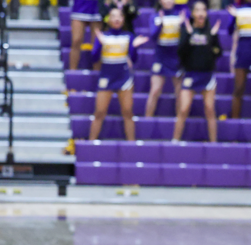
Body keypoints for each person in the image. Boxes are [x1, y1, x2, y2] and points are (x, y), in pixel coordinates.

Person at [88, 8, 149, 141]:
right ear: (108, 20)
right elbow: (93, 58)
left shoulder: (128, 36)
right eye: (113, 16)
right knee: (99, 113)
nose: (116, 19)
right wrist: (99, 45)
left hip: (124, 78)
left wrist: (134, 47)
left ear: (123, 19)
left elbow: (133, 59)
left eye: (119, 16)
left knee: (128, 113)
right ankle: (91, 143)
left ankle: (131, 145)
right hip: (106, 77)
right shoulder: (103, 36)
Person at [173, 2, 222, 143]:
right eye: (198, 10)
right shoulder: (187, 31)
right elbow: (181, 52)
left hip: (207, 75)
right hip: (190, 74)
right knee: (183, 109)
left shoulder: (211, 32)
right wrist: (188, 36)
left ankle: (214, 143)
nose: (201, 13)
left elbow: (218, 53)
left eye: (203, 10)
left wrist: (212, 39)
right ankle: (175, 141)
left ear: (206, 14)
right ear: (193, 14)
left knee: (210, 109)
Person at [145, 0, 189, 118]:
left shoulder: (181, 15)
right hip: (161, 57)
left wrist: (183, 24)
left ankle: (178, 125)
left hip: (176, 58)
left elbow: (187, 37)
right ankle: (147, 120)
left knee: (179, 92)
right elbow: (153, 37)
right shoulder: (155, 16)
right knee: (155, 90)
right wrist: (161, 25)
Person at [71, 0, 104, 70]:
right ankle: (72, 73)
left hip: (97, 7)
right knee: (76, 41)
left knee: (96, 44)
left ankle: (97, 74)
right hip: (79, 6)